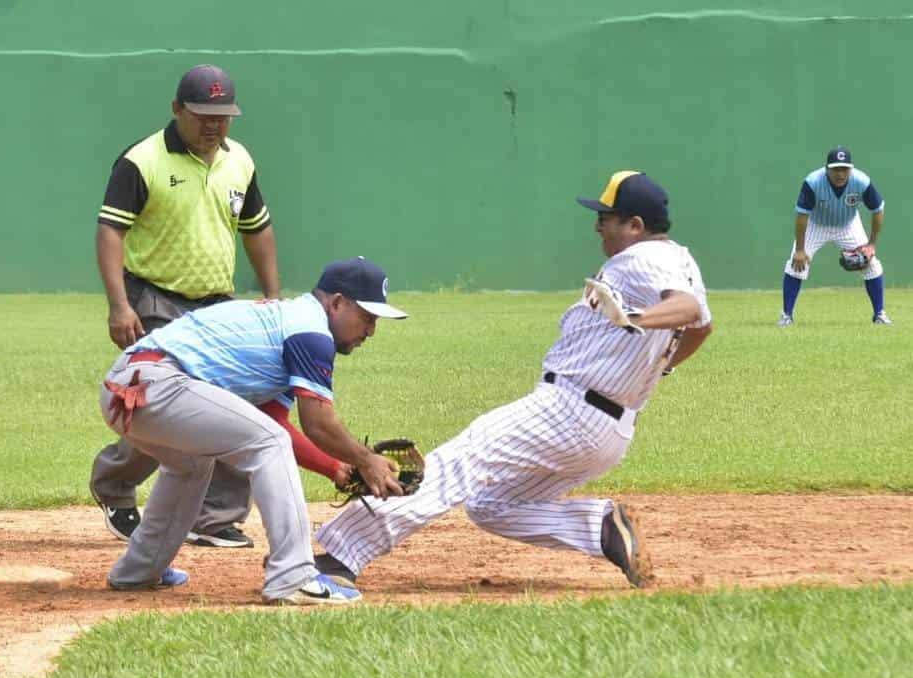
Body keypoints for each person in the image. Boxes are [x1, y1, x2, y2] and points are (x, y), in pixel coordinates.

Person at [313, 171, 713, 590]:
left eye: (607, 217)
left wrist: (639, 320)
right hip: (608, 428)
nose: (598, 225)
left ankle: (343, 553)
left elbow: (686, 308)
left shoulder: (644, 258)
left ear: (635, 226)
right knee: (491, 505)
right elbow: (702, 326)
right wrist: (662, 365)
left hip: (570, 411)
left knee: (462, 460)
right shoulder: (679, 259)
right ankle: (601, 528)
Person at [100, 256, 409, 604]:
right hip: (152, 384)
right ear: (337, 303)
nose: (370, 330)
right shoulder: (310, 333)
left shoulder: (289, 324)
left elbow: (276, 421)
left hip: (131, 384)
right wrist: (367, 460)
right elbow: (317, 423)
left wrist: (337, 468)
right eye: (367, 317)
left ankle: (138, 570)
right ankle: (293, 577)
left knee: (193, 463)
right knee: (267, 443)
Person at [91, 64, 281, 548]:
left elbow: (256, 228)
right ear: (177, 110)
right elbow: (111, 230)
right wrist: (119, 305)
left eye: (223, 115)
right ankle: (115, 483)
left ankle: (216, 517)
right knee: (163, 406)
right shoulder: (143, 160)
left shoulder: (239, 160)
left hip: (218, 301)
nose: (213, 124)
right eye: (202, 115)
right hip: (153, 297)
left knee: (238, 399)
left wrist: (274, 297)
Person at [778, 146, 890, 326]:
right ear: (827, 168)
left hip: (848, 225)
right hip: (816, 224)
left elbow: (878, 210)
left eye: (844, 168)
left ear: (851, 169)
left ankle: (880, 314)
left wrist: (872, 244)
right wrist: (799, 249)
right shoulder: (813, 182)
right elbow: (802, 216)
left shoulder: (861, 181)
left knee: (871, 264)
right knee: (796, 264)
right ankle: (786, 316)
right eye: (836, 168)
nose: (840, 173)